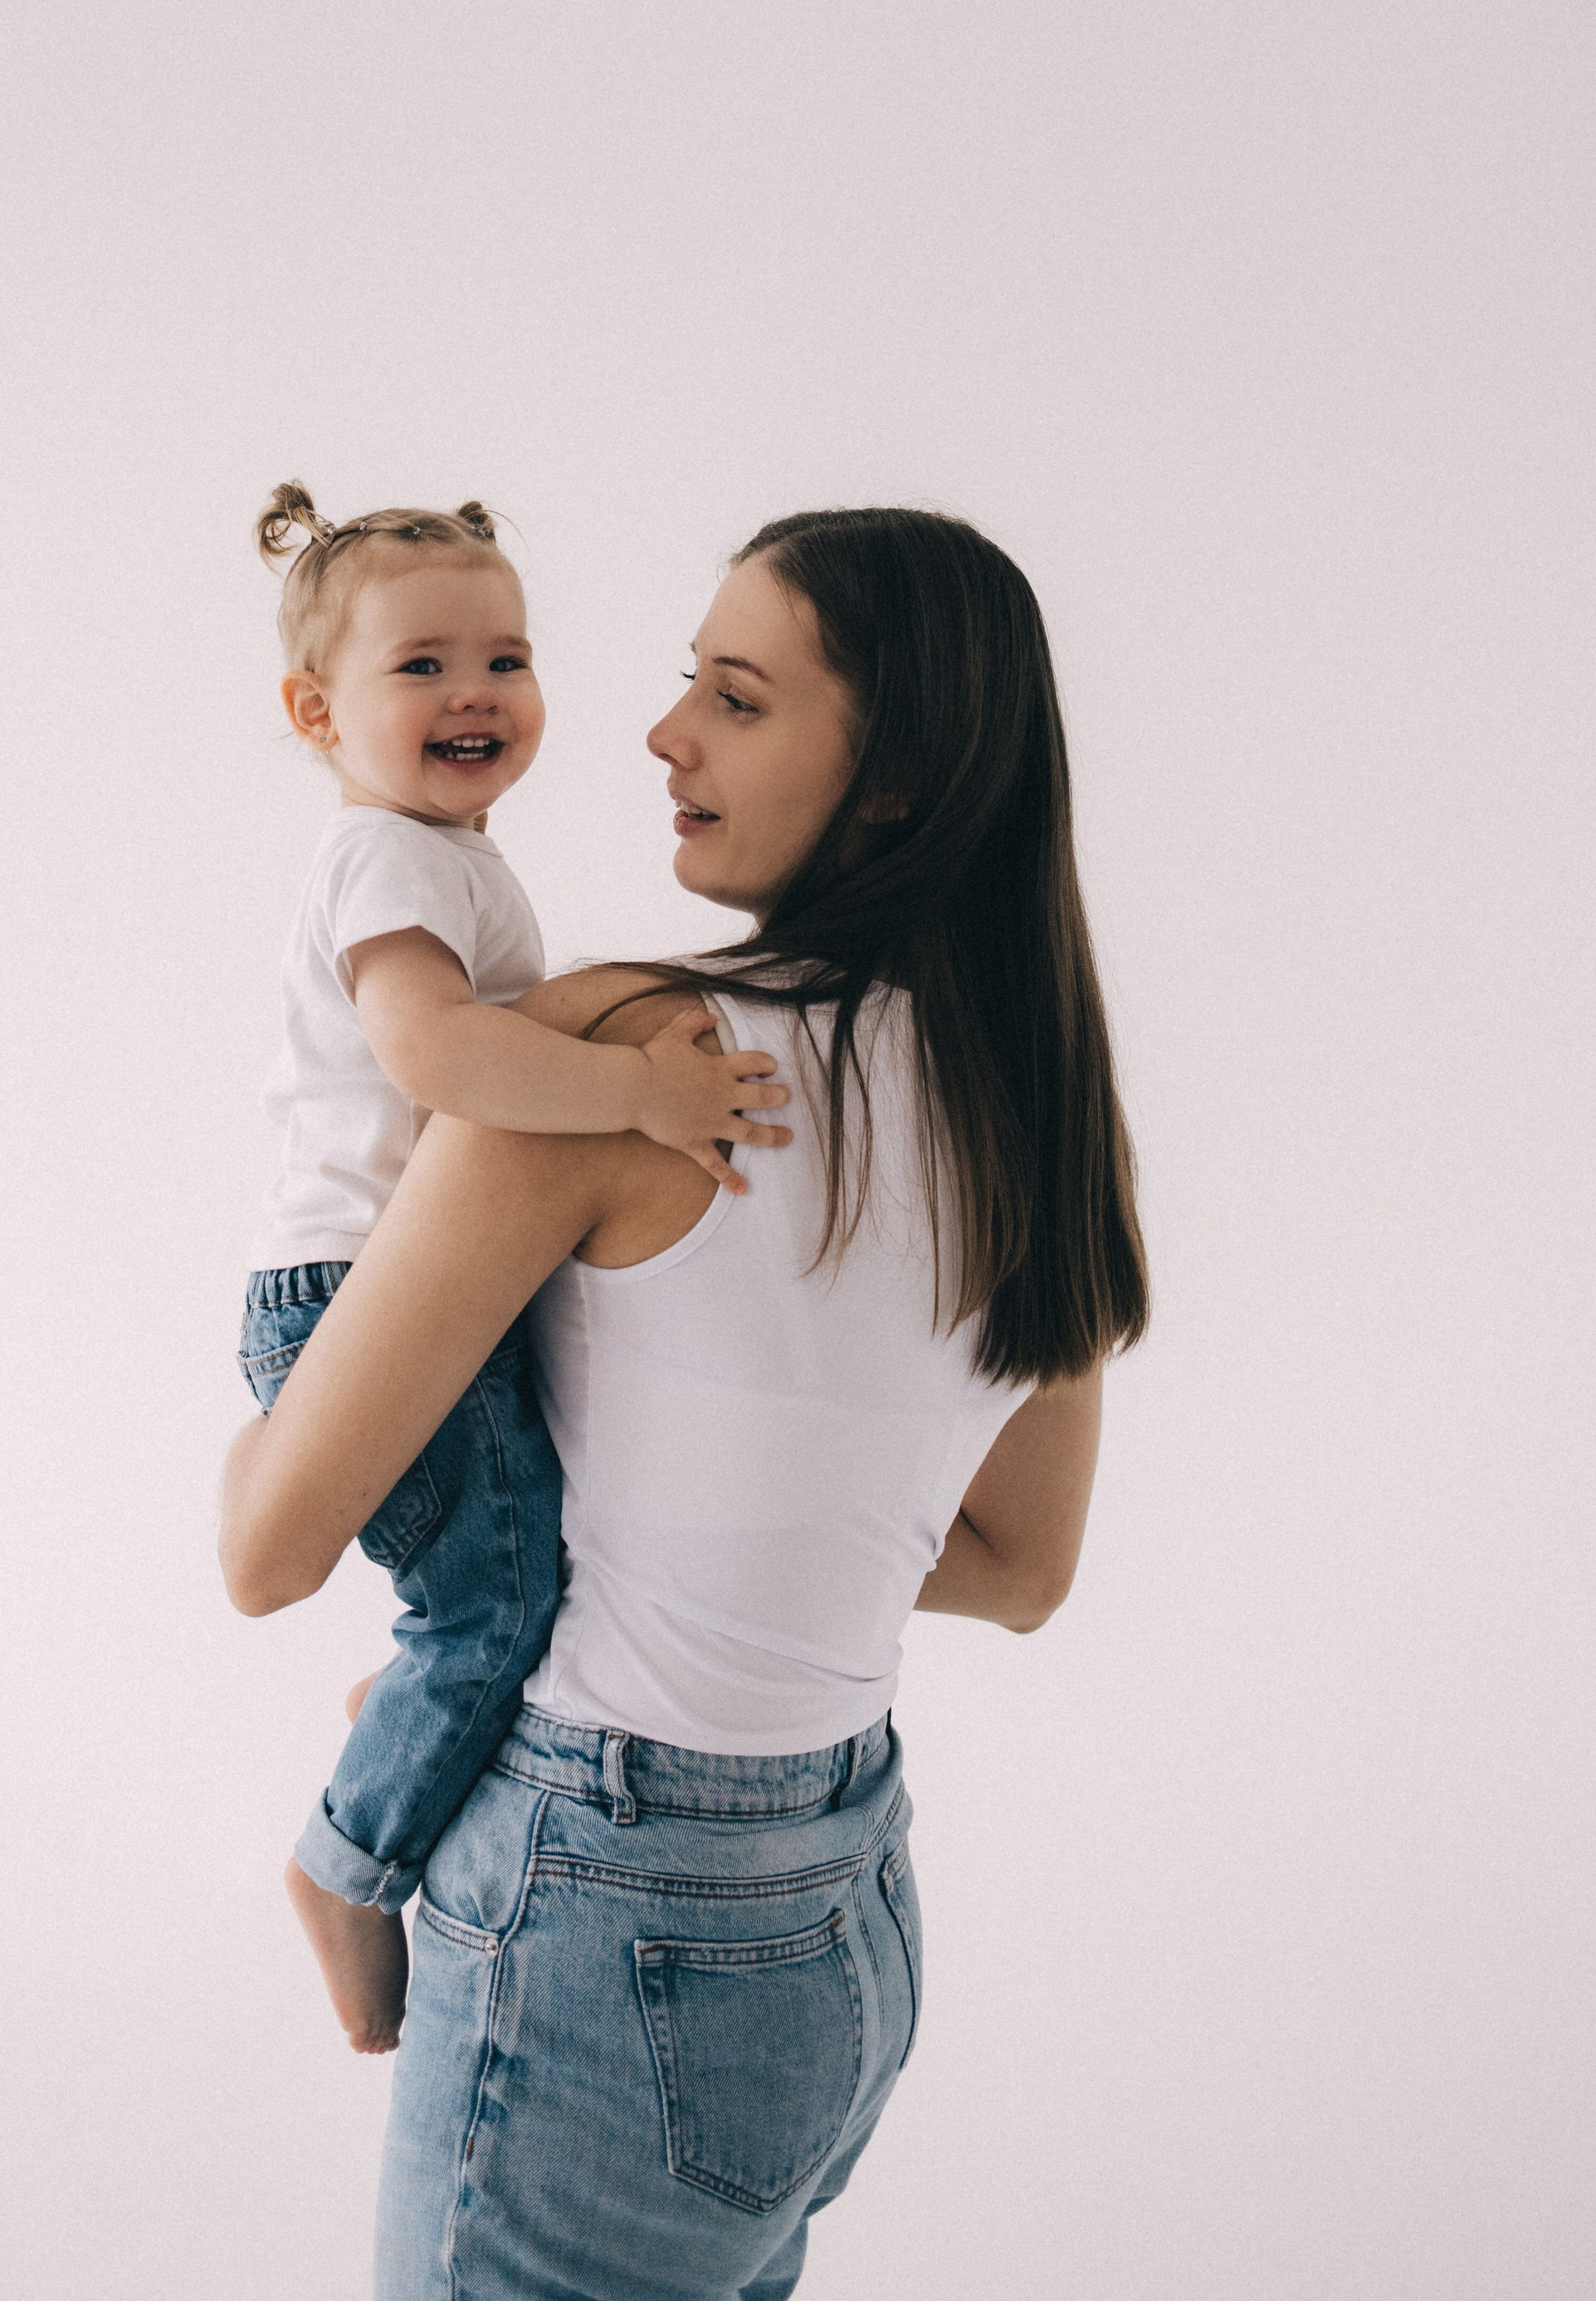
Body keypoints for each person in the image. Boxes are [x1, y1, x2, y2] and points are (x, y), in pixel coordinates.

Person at [223, 505, 1150, 2299]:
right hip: (841, 1906)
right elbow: (1019, 1566)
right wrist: (695, 1547)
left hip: (601, 1915)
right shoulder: (1035, 1102)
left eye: (735, 698)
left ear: (892, 780)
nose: (662, 737)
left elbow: (268, 1546)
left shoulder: (621, 1054)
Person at [244, 483, 793, 2054]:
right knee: (493, 1610)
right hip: (361, 1290)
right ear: (316, 713)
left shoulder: (446, 859)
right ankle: (348, 1863)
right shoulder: (392, 863)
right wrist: (636, 1093)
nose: (474, 692)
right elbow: (435, 1053)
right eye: (421, 666)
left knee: (507, 1584)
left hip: (408, 1285)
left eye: (506, 659)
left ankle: (407, 1720)